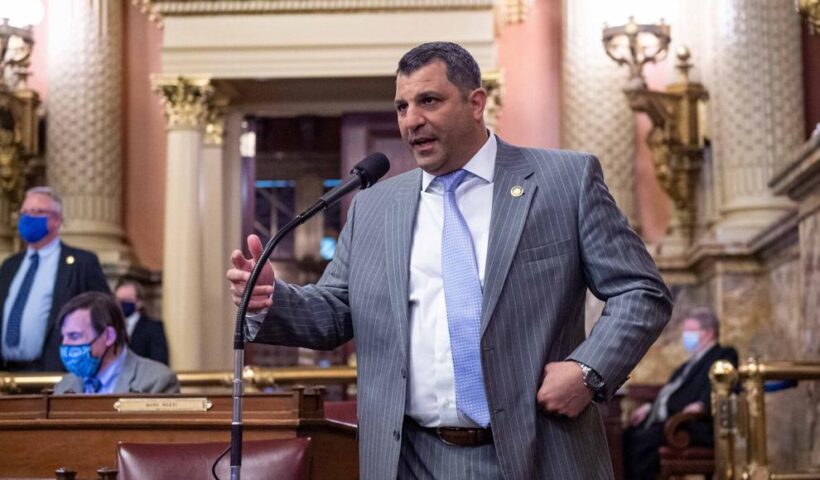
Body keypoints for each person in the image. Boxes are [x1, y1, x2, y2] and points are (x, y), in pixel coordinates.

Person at [227, 41, 672, 479]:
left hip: (538, 450)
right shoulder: (375, 206)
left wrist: (588, 370)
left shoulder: (563, 182)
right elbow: (336, 311)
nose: (411, 120)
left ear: (475, 102)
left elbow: (641, 291)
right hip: (411, 459)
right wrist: (270, 299)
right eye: (402, 107)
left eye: (429, 101)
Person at [0, 187, 110, 372]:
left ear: (57, 220)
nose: (28, 218)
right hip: (5, 373)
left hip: (53, 372)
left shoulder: (81, 263)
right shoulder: (10, 265)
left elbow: (104, 314)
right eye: (24, 212)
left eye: (37, 212)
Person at [623, 308, 738, 479]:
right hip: (671, 422)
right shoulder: (686, 365)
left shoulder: (723, 355)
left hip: (691, 424)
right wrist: (649, 407)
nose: (685, 336)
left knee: (642, 442)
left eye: (690, 331)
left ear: (708, 333)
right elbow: (669, 393)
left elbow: (723, 380)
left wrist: (702, 404)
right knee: (626, 435)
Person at [53, 291, 179, 395]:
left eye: (74, 336)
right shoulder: (65, 386)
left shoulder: (157, 381)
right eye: (63, 337)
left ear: (109, 336)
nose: (65, 344)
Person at [115, 280, 169, 365]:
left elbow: (159, 362)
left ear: (139, 302)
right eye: (118, 300)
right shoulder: (110, 327)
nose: (120, 304)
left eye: (126, 300)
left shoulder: (153, 328)